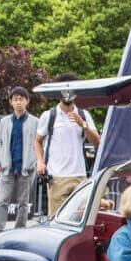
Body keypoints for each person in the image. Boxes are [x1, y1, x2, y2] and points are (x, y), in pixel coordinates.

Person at [34, 73, 100, 216]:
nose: (68, 93)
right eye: (64, 89)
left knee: (80, 218)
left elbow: (97, 142)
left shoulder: (84, 115)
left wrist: (83, 125)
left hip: (80, 176)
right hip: (57, 177)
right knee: (56, 219)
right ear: (59, 93)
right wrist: (40, 162)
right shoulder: (49, 115)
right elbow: (38, 141)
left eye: (72, 89)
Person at [0, 86, 39, 232]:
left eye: (21, 99)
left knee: (23, 203)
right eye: (15, 100)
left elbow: (39, 143)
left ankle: (20, 229)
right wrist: (3, 159)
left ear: (27, 101)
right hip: (8, 168)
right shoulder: (5, 121)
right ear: (11, 102)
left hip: (26, 169)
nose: (18, 102)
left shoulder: (34, 122)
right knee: (2, 200)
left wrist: (33, 161)